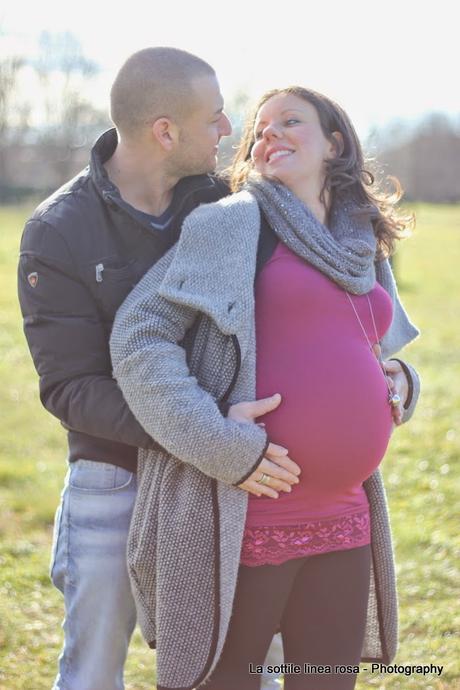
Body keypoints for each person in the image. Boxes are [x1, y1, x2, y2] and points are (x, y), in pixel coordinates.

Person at [110, 85, 421, 690]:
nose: (269, 133)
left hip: (345, 515)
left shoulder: (360, 240)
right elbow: (138, 336)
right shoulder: (233, 224)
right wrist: (220, 441)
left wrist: (403, 384)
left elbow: (372, 344)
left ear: (335, 143)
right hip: (247, 513)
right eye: (260, 128)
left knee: (324, 681)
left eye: (290, 121)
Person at [17, 46, 239, 690]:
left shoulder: (226, 208)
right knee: (90, 674)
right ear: (164, 132)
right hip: (112, 476)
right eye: (215, 118)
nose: (228, 129)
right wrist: (199, 428)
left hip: (220, 475)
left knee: (246, 665)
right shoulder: (59, 230)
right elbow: (70, 388)